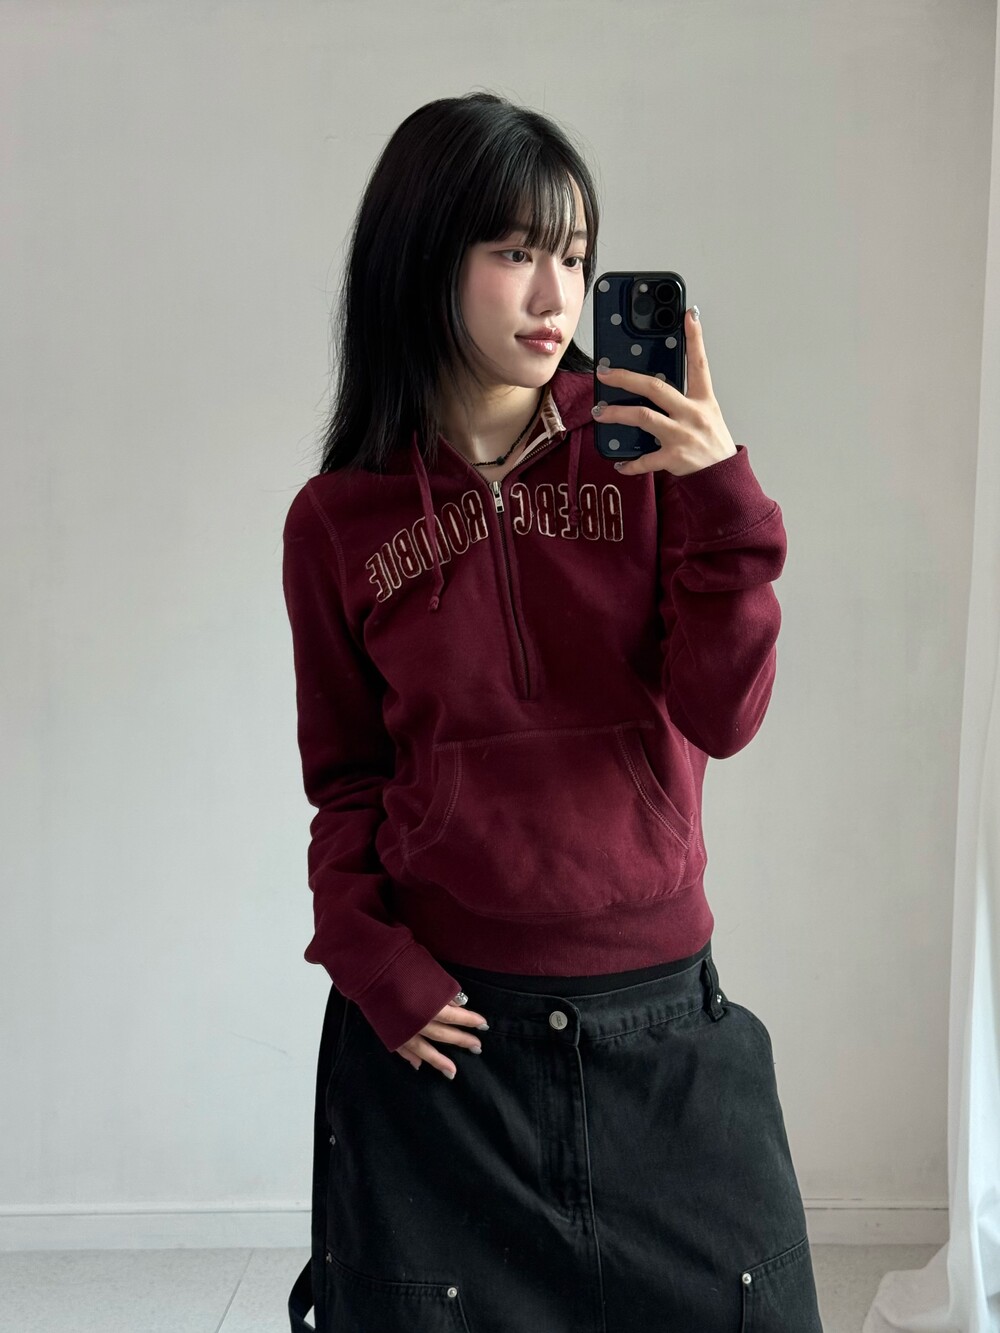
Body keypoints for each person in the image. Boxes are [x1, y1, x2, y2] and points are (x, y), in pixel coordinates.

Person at [282, 90, 824, 1333]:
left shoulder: (644, 458)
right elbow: (346, 776)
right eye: (515, 252)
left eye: (573, 257)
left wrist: (721, 495)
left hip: (660, 1023)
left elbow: (724, 713)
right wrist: (370, 958)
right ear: (424, 258)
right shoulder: (337, 520)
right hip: (450, 1037)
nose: (554, 296)